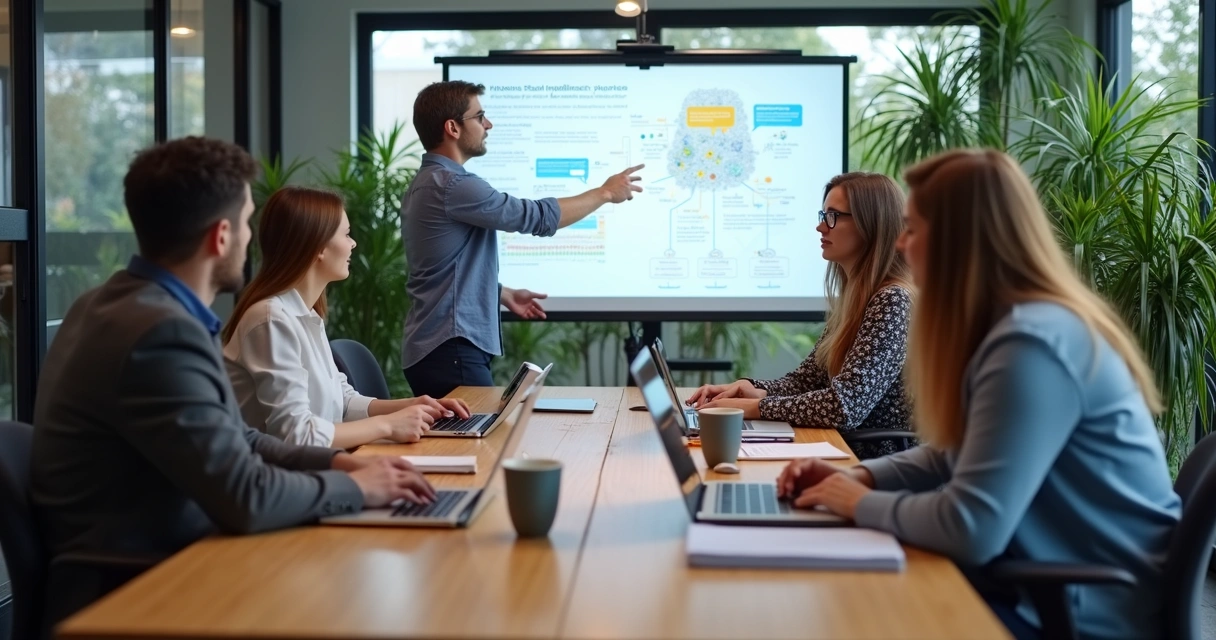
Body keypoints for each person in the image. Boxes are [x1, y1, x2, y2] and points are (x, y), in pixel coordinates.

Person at [31, 137, 437, 630]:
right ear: (221, 237)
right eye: (246, 223)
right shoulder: (159, 333)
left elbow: (238, 437)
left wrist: (332, 461)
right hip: (142, 587)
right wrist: (357, 487)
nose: (252, 239)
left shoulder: (114, 304)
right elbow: (245, 497)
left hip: (170, 553)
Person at [777, 149, 1180, 639]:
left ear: (958, 242)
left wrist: (856, 502)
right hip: (1041, 575)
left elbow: (972, 527)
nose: (901, 243)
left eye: (913, 228)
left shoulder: (1033, 345)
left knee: (850, 613)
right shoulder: (1010, 327)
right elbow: (953, 455)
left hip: (1081, 608)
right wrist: (861, 476)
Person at [400, 80, 644, 399]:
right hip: (451, 350)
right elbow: (535, 217)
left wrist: (501, 293)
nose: (488, 124)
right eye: (479, 116)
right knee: (478, 447)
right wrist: (605, 193)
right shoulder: (452, 185)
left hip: (443, 349)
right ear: (452, 128)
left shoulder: (428, 182)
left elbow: (442, 270)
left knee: (475, 444)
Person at [687, 172, 914, 459]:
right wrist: (752, 389)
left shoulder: (892, 300)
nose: (821, 227)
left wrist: (756, 408)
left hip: (874, 462)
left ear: (871, 224)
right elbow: (805, 381)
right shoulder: (856, 300)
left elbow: (844, 406)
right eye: (823, 214)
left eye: (833, 216)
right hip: (840, 447)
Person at [223, 185, 470, 448]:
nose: (353, 244)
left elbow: (342, 401)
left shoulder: (304, 313)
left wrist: (413, 405)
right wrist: (387, 425)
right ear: (318, 247)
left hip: (313, 471)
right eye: (347, 234)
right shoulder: (271, 320)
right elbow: (296, 435)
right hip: (284, 482)